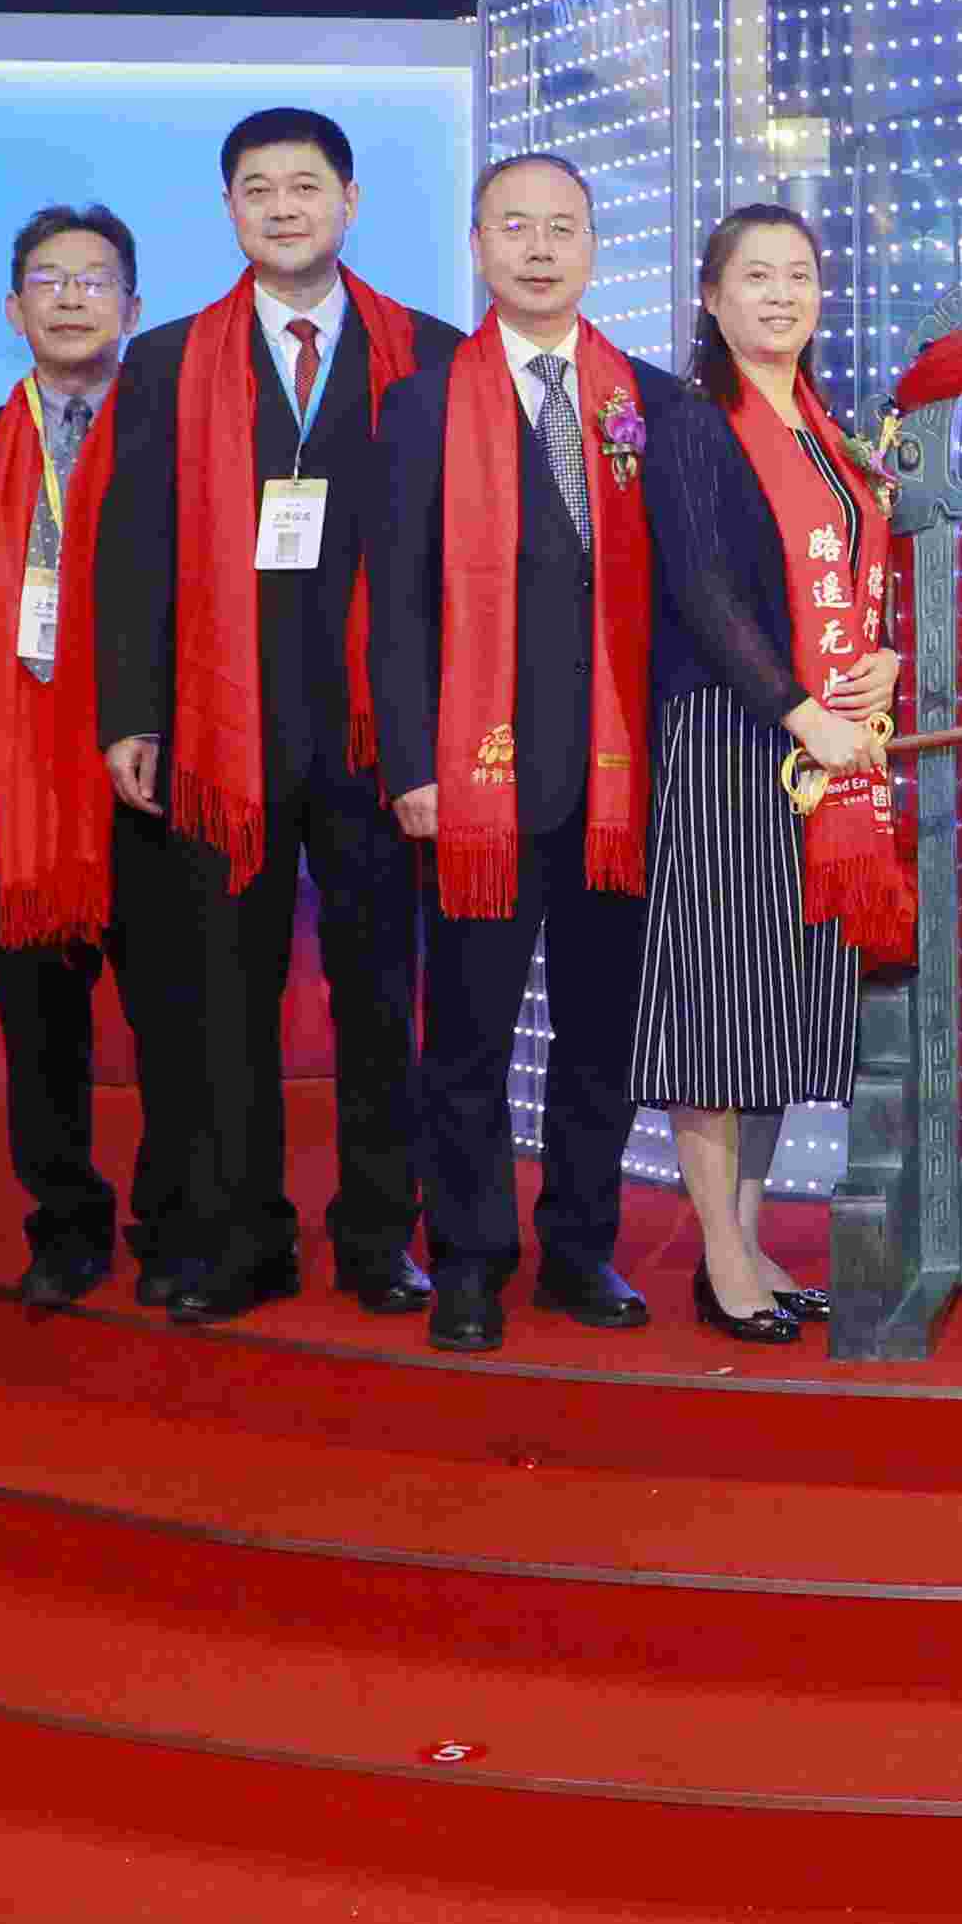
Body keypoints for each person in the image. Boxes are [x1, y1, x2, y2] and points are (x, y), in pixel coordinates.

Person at [102, 109, 443, 1322]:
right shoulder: (166, 361)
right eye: (259, 189)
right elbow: (133, 547)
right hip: (222, 729)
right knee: (223, 1001)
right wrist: (133, 714)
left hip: (376, 734)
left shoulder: (429, 352)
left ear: (350, 200)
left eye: (306, 185)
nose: (284, 207)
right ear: (230, 210)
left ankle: (378, 1237)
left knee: (379, 998)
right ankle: (243, 1238)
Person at [366, 154, 667, 1353]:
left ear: (592, 246)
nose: (539, 249)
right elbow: (395, 602)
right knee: (469, 1039)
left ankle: (581, 1248)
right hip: (477, 777)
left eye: (562, 228)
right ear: (478, 245)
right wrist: (410, 765)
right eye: (515, 227)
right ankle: (471, 1259)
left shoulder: (647, 401)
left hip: (620, 781)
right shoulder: (422, 406)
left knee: (603, 1036)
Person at [638, 203, 906, 1342]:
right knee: (719, 1004)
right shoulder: (693, 424)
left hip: (824, 752)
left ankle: (744, 1243)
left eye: (799, 274)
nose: (781, 294)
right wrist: (801, 713)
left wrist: (884, 660)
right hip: (731, 740)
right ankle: (719, 1253)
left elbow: (859, 581)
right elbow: (701, 591)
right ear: (711, 297)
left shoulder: (832, 432)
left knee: (778, 1007)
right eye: (755, 276)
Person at [0, 202, 146, 1315]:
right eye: (48, 280)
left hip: (150, 783)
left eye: (93, 280)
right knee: (41, 1033)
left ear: (132, 308)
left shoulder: (175, 430)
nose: (70, 298)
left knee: (179, 1026)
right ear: (15, 309)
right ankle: (66, 1223)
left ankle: (180, 1221)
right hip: (18, 794)